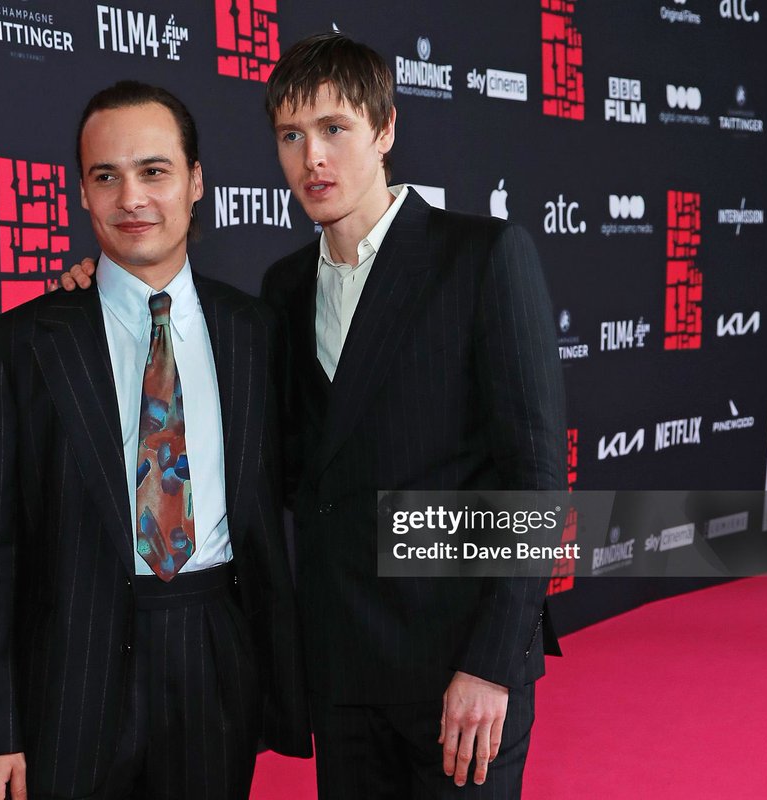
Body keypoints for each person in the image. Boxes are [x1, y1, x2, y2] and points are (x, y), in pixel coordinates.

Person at [62, 33, 566, 799]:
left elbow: (536, 478)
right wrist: (97, 298)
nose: (312, 160)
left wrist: (491, 664)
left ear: (386, 130)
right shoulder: (284, 287)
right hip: (342, 664)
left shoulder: (483, 257)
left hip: (457, 664)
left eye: (335, 130)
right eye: (291, 137)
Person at [0, 80, 311, 800]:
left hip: (215, 647)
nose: (132, 199)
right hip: (72, 667)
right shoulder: (19, 346)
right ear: (81, 194)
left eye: (154, 171)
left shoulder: (256, 330)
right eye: (105, 177)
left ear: (196, 181)